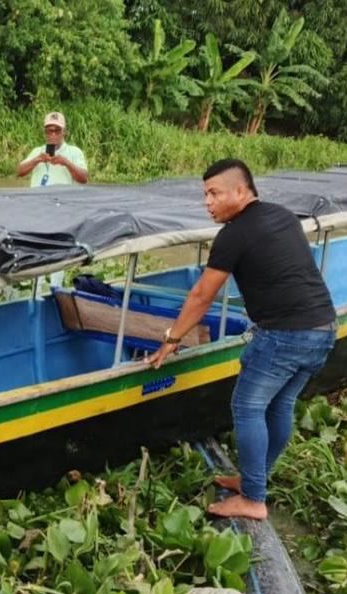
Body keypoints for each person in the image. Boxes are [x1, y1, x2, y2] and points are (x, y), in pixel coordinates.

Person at [144, 159, 337, 520]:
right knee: (279, 406)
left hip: (286, 334)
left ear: (241, 191)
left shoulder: (234, 234)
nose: (208, 202)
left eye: (214, 193)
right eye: (205, 195)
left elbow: (202, 294)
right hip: (323, 328)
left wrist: (171, 339)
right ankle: (254, 480)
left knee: (247, 407)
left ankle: (252, 499)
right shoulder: (281, 215)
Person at [16, 111, 89, 187]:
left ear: (64, 132)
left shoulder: (75, 152)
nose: (53, 134)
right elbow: (19, 172)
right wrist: (37, 159)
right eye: (49, 131)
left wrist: (66, 163)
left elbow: (84, 178)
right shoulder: (37, 151)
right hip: (37, 197)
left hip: (62, 197)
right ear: (45, 132)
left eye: (57, 130)